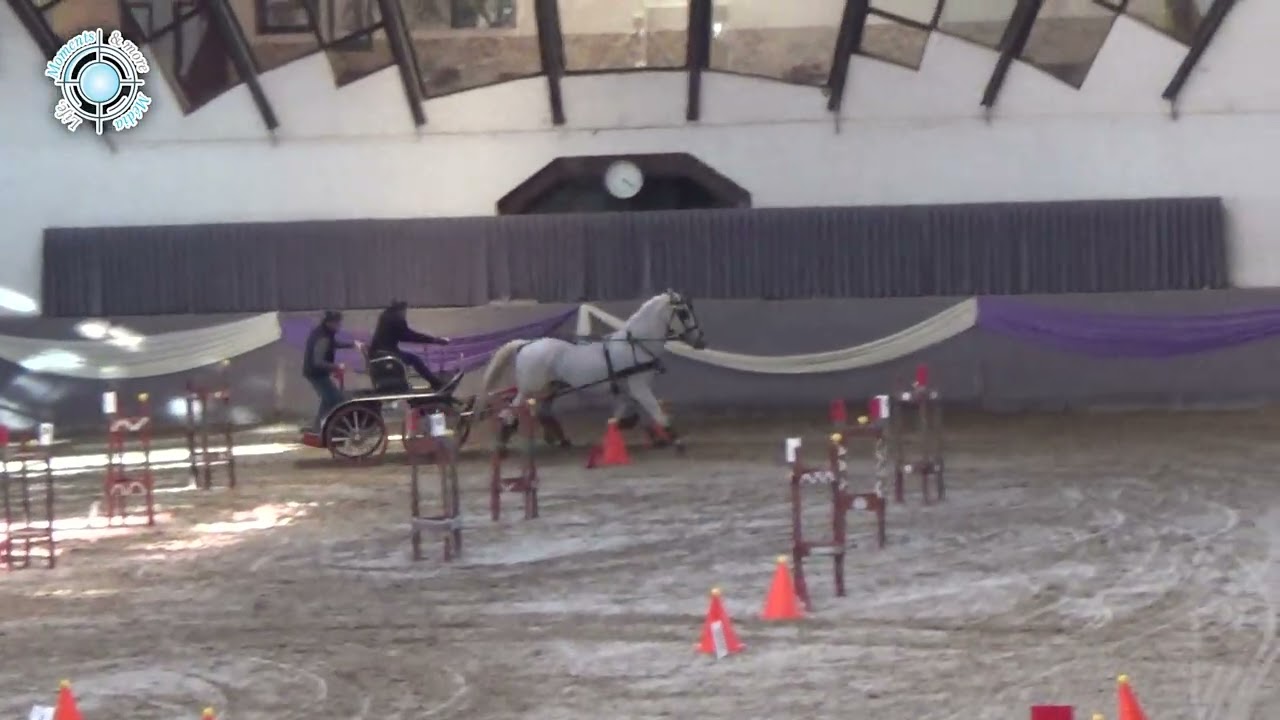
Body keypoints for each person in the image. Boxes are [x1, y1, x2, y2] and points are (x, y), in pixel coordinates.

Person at [369, 300, 451, 390]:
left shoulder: (386, 316)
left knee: (411, 358)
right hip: (387, 354)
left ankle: (434, 382)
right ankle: (436, 384)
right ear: (401, 309)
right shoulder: (396, 318)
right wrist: (435, 340)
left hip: (380, 352)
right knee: (415, 359)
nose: (405, 314)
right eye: (405, 311)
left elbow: (404, 335)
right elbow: (409, 336)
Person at [302, 310, 361, 431]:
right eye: (338, 323)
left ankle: (318, 428)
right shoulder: (323, 337)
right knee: (336, 399)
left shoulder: (324, 332)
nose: (339, 326)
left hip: (315, 372)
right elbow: (318, 362)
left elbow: (334, 344)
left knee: (328, 400)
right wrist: (337, 366)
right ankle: (335, 429)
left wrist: (352, 344)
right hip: (316, 374)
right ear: (330, 323)